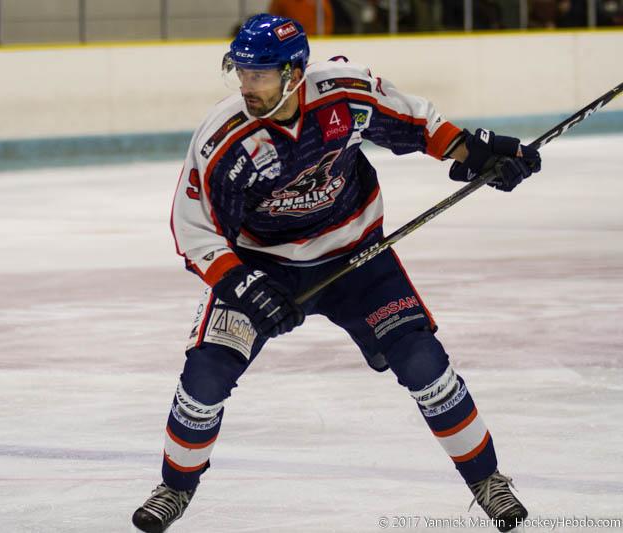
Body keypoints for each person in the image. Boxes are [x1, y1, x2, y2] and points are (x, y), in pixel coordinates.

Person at [132, 13, 540, 533]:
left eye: (259, 74)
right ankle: (174, 487)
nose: (246, 86)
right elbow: (195, 231)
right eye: (241, 73)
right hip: (264, 267)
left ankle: (487, 481)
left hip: (357, 258)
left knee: (423, 362)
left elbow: (416, 122)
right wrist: (245, 286)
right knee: (206, 376)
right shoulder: (225, 139)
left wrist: (476, 153)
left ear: (294, 73)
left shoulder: (345, 94)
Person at [269, 0, 334, 35]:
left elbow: (327, 23)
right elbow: (272, 22)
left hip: (315, 39)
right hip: (290, 41)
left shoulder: (319, 2)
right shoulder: (281, 2)